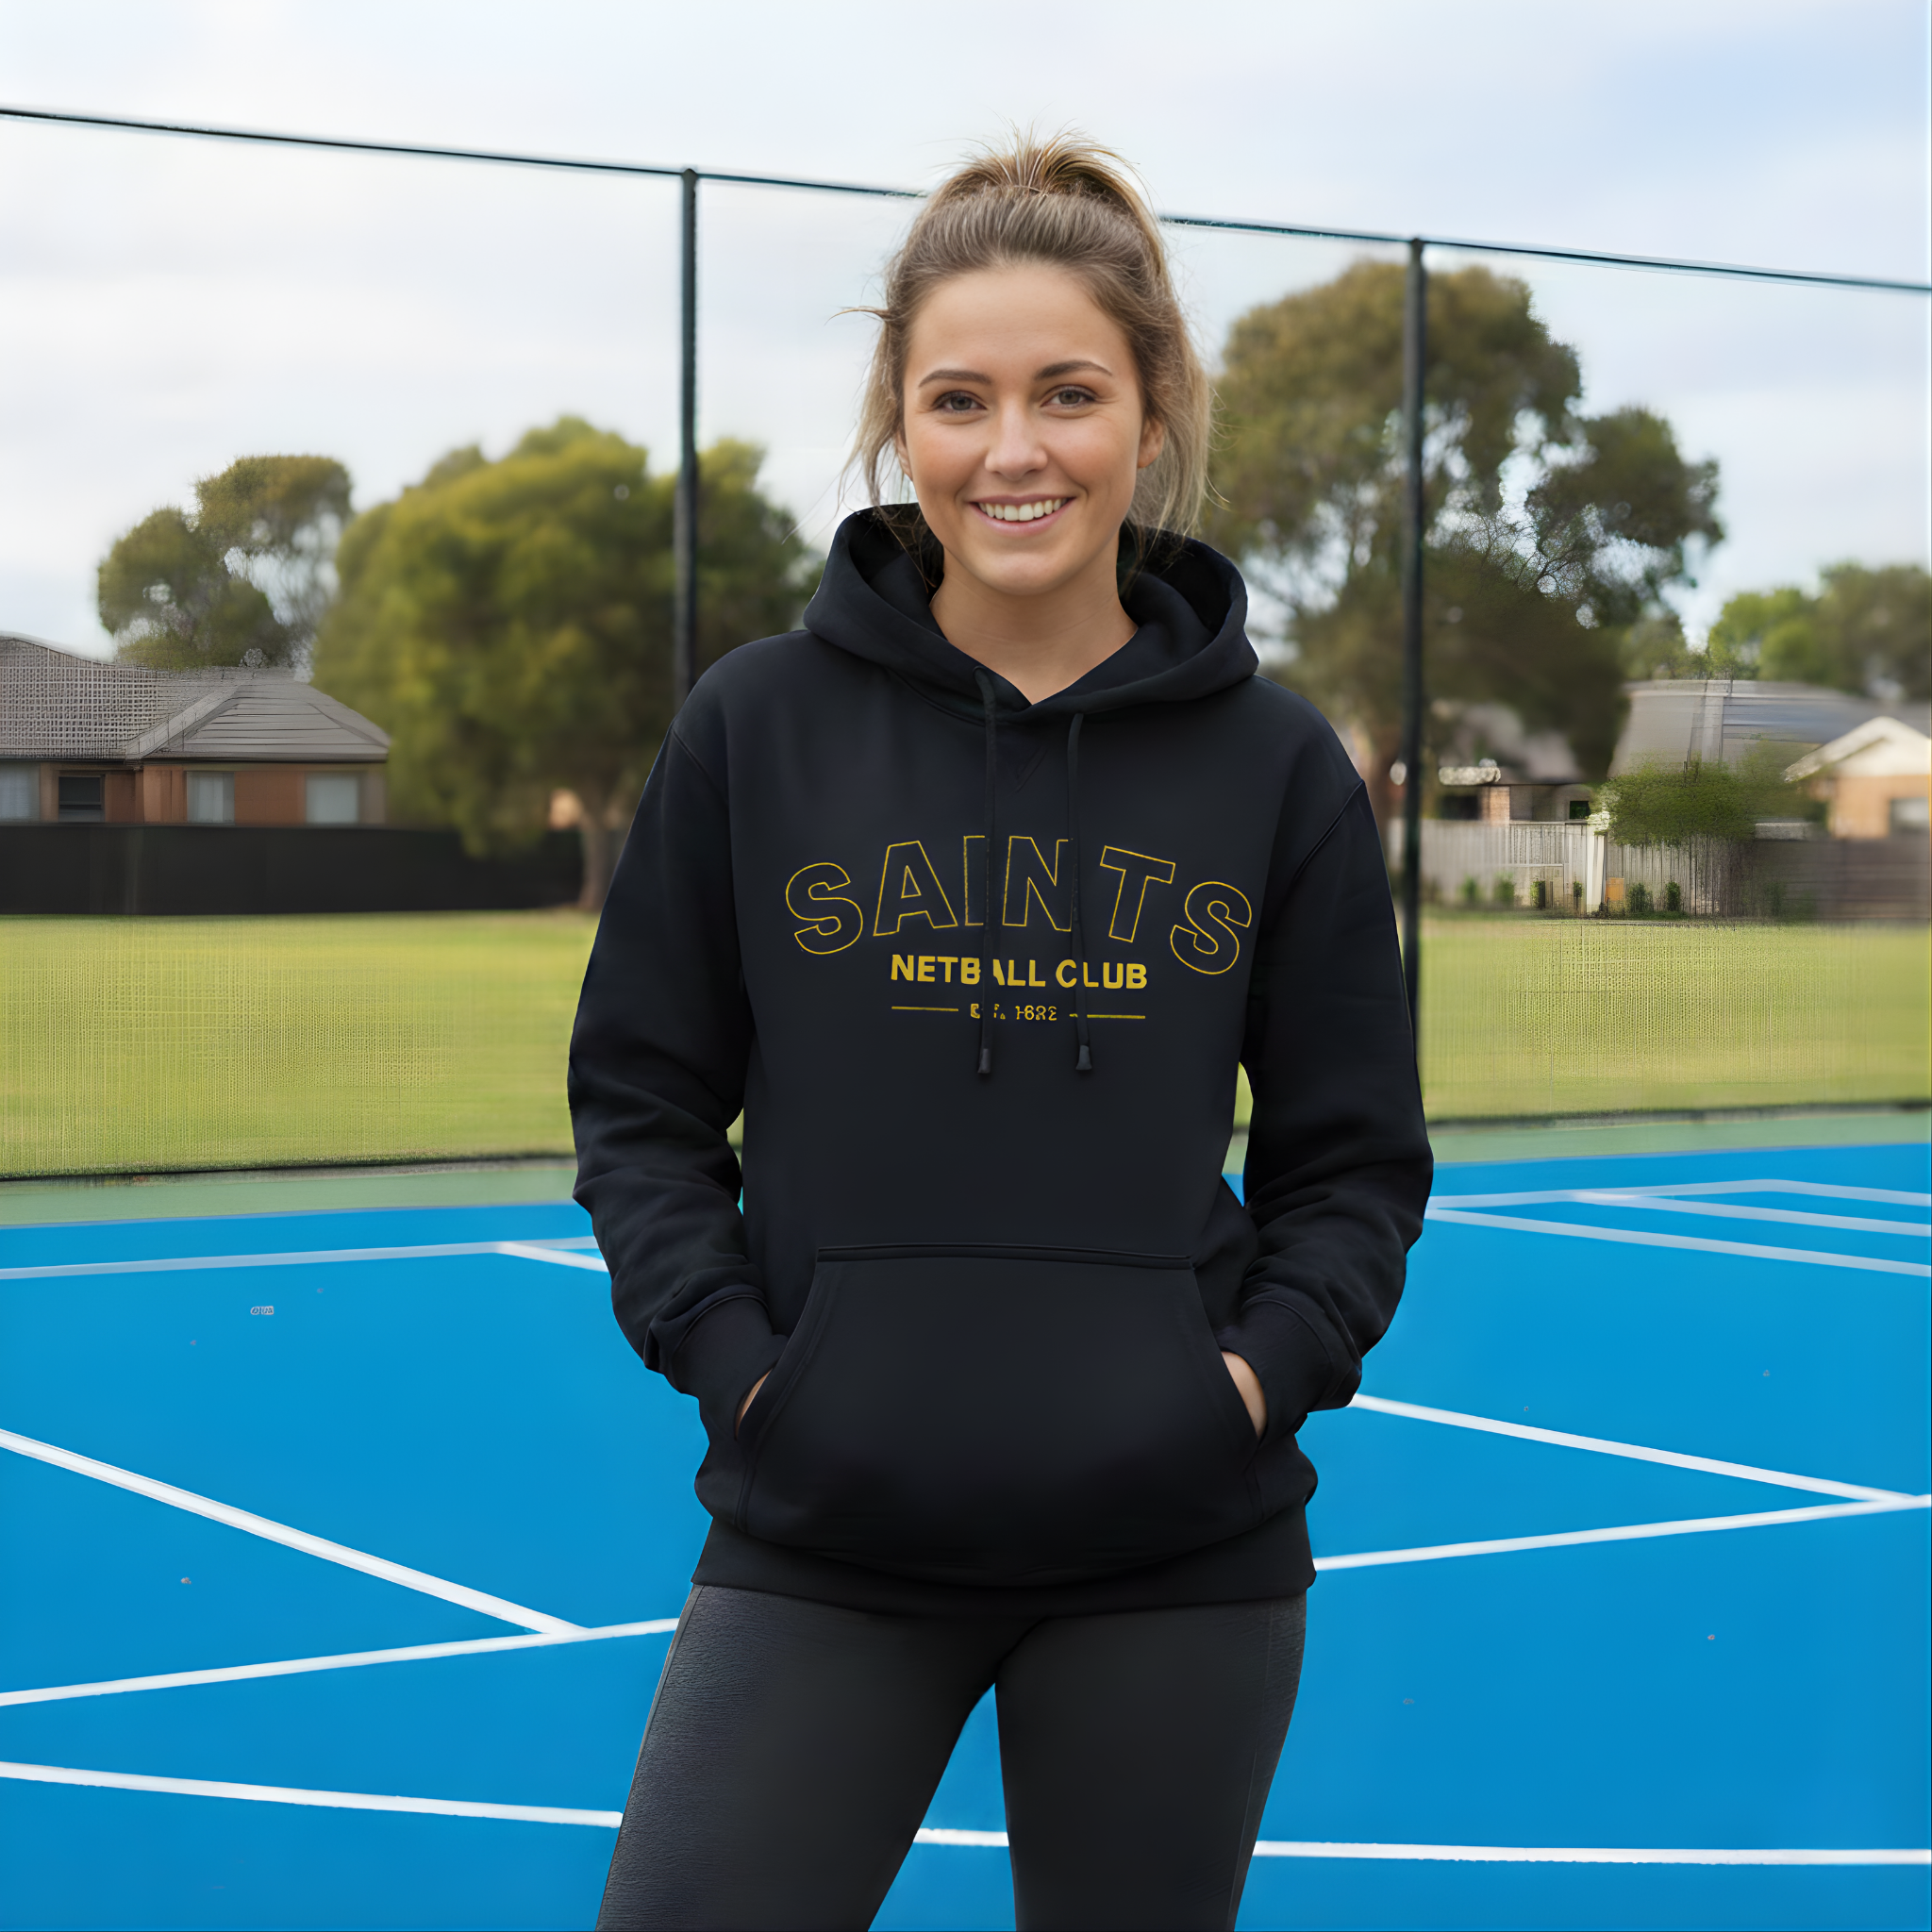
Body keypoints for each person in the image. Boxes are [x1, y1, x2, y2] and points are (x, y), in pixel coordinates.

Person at [569, 132, 1431, 1932]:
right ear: (899, 417)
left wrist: (1247, 1386)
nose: (1014, 449)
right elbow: (643, 1101)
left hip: (1179, 1558)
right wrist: (750, 1372)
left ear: (1153, 409)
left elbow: (1354, 1159)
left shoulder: (1276, 765)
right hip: (824, 1536)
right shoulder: (759, 726)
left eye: (1068, 393)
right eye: (959, 398)